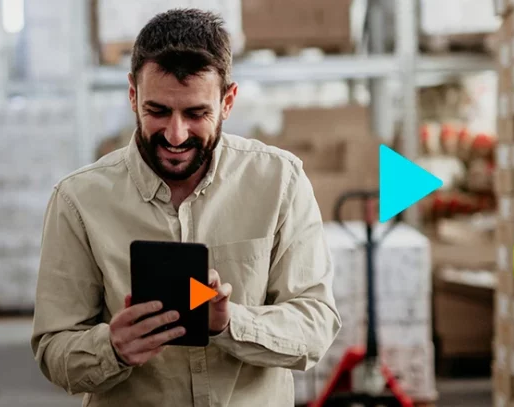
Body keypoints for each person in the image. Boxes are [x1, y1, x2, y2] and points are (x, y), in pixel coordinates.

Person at [31, 9, 341, 407]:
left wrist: (230, 324)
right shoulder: (78, 201)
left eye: (196, 114)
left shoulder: (280, 182)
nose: (176, 135)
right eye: (157, 111)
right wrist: (112, 348)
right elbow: (53, 350)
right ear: (132, 95)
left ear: (228, 101)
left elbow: (316, 324)